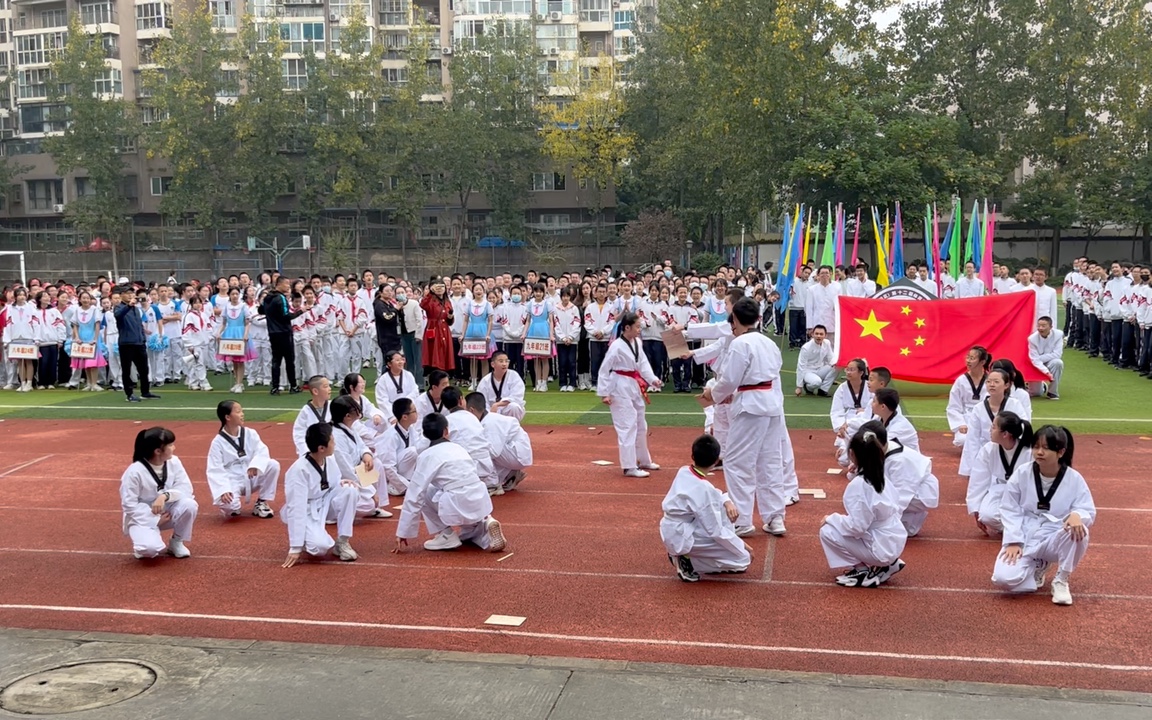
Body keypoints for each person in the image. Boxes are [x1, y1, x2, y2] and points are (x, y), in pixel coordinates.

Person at [706, 297, 787, 536]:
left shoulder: (740, 344)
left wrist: (714, 394)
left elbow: (729, 379)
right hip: (771, 404)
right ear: (758, 318)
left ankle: (741, 518)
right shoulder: (769, 343)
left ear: (736, 320)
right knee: (769, 460)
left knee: (737, 461)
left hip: (751, 406)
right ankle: (775, 517)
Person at [992, 425, 1095, 606]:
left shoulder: (1074, 478)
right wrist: (1014, 540)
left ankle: (1061, 579)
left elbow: (1087, 508)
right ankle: (1038, 565)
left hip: (1055, 534)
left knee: (1080, 531)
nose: (1039, 452)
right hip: (1026, 533)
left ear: (1060, 452)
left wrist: (1078, 515)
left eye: (1046, 448)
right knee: (1003, 580)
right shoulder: (1022, 473)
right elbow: (1009, 507)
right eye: (1036, 447)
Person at [392, 413, 507, 553]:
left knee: (425, 491)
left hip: (457, 502)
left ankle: (445, 534)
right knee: (456, 491)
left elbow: (414, 495)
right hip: (480, 498)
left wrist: (403, 531)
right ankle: (484, 523)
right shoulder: (460, 448)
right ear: (446, 431)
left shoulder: (426, 456)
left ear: (425, 434)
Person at [819, 425, 907, 587]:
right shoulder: (880, 475)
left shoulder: (860, 485)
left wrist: (832, 518)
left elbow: (857, 527)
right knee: (865, 525)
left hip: (881, 548)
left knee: (827, 530)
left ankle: (862, 572)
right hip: (894, 540)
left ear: (852, 454)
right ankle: (889, 564)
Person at [660, 434, 752, 582]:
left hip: (673, 527)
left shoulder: (684, 470)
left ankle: (685, 555)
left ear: (692, 455)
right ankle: (687, 560)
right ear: (716, 461)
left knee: (722, 507)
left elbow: (713, 494)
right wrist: (740, 544)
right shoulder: (704, 488)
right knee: (742, 560)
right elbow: (715, 530)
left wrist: (727, 501)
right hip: (682, 533)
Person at [281, 422, 360, 566]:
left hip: (325, 501)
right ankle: (306, 537)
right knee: (319, 548)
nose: (335, 443)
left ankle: (342, 542)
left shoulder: (329, 459)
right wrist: (295, 546)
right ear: (321, 448)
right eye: (332, 441)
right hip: (307, 509)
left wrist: (342, 484)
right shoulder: (298, 471)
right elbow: (296, 507)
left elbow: (333, 484)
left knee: (350, 490)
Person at [598, 311, 662, 478]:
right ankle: (629, 466)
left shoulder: (637, 343)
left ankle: (644, 460)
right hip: (618, 385)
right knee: (627, 426)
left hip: (633, 384)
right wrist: (604, 393)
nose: (640, 329)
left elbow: (643, 363)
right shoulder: (616, 346)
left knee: (641, 424)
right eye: (637, 326)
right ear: (627, 327)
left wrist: (653, 379)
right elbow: (605, 369)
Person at [119, 427, 198, 559]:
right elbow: (129, 504)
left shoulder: (174, 462)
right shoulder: (134, 472)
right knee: (149, 551)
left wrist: (164, 496)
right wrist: (154, 519)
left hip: (166, 509)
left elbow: (185, 488)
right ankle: (144, 542)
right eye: (171, 445)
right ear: (157, 451)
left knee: (190, 505)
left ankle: (176, 542)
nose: (174, 448)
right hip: (142, 517)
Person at [855, 420, 939, 538]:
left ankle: (907, 518)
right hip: (912, 487)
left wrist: (887, 530)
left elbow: (901, 497)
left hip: (922, 493)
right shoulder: (884, 447)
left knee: (879, 502)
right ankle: (910, 520)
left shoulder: (899, 461)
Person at [206, 401, 279, 519]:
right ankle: (231, 506)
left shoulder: (250, 433)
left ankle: (261, 501)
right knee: (231, 506)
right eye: (238, 411)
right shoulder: (217, 442)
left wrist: (255, 465)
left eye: (242, 411)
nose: (242, 414)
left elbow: (262, 450)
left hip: (251, 475)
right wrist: (223, 489)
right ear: (228, 417)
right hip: (233, 480)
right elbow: (215, 468)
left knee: (273, 465)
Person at [966, 411, 1033, 536]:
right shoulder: (989, 449)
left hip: (1025, 492)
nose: (990, 430)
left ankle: (1023, 528)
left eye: (993, 427)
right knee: (986, 516)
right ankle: (1016, 529)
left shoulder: (1029, 451)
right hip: (1001, 488)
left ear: (1005, 434)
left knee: (1033, 516)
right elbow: (979, 480)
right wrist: (975, 509)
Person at [329, 395, 392, 518]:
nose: (359, 411)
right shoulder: (337, 437)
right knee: (368, 504)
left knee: (376, 463)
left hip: (355, 472)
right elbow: (347, 472)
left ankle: (377, 506)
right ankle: (333, 511)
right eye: (355, 410)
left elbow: (362, 445)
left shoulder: (348, 428)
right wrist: (371, 493)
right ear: (347, 416)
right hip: (343, 480)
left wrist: (366, 455)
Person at [960, 368, 1027, 477]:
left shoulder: (1015, 404)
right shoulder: (978, 408)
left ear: (1007, 385)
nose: (991, 385)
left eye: (996, 382)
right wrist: (969, 469)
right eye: (988, 381)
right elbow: (972, 438)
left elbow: (1023, 428)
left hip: (1009, 449)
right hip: (985, 451)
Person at [468, 391, 533, 493]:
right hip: (514, 451)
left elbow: (493, 452)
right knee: (482, 449)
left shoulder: (490, 423)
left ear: (471, 410)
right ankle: (510, 474)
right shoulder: (487, 419)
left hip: (519, 454)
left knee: (483, 449)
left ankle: (493, 484)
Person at [441, 386, 500, 494]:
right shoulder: (472, 417)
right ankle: (490, 482)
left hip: (468, 468)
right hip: (486, 465)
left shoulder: (447, 421)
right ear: (461, 400)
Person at [114, 287, 159, 403]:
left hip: (139, 342)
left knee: (144, 368)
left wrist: (143, 339)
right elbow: (118, 316)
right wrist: (129, 305)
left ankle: (145, 391)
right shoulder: (119, 307)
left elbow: (139, 325)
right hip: (126, 343)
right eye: (128, 294)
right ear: (122, 295)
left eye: (132, 293)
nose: (130, 296)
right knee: (127, 370)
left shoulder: (136, 309)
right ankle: (129, 394)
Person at [261, 275, 303, 396]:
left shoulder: (268, 297)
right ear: (279, 284)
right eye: (286, 284)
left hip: (272, 332)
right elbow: (286, 316)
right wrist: (301, 311)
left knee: (276, 360)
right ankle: (293, 385)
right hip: (284, 332)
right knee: (290, 360)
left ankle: (275, 387)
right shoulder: (281, 298)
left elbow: (261, 310)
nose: (288, 286)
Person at [946, 345, 991, 448]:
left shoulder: (990, 380)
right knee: (962, 440)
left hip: (985, 417)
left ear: (982, 362)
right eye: (968, 357)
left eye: (972, 358)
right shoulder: (961, 380)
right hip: (966, 418)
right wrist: (960, 423)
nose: (968, 361)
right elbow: (953, 406)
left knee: (990, 439)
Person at [830, 358, 872, 465]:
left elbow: (876, 406)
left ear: (861, 372)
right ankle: (846, 446)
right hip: (848, 419)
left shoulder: (869, 386)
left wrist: (866, 411)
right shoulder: (842, 388)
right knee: (843, 460)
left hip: (865, 418)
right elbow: (836, 410)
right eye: (847, 369)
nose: (848, 372)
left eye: (852, 370)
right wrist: (841, 426)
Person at [215, 287, 256, 394]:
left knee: (240, 360)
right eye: (233, 294)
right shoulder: (227, 307)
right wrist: (219, 333)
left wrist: (246, 334)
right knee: (234, 360)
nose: (235, 296)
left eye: (236, 294)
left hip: (240, 333)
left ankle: (239, 383)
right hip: (230, 333)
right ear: (229, 295)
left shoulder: (243, 306)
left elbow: (247, 323)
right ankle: (237, 382)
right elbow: (224, 323)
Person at [379, 397, 421, 497]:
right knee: (413, 451)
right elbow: (388, 466)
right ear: (405, 417)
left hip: (403, 471)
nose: (417, 413)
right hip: (389, 476)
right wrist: (407, 487)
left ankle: (407, 481)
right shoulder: (391, 436)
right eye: (414, 411)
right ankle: (395, 485)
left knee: (419, 450)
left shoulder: (411, 430)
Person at [69, 290, 106, 392]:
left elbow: (97, 324)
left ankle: (95, 383)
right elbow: (75, 325)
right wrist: (76, 337)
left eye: (87, 298)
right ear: (80, 299)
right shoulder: (77, 310)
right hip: (81, 337)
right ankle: (89, 383)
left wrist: (95, 338)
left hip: (92, 337)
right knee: (85, 362)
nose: (85, 300)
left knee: (93, 363)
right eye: (83, 298)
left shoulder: (95, 310)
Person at [461, 281, 495, 390]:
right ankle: (474, 381)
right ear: (473, 291)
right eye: (476, 290)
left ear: (483, 291)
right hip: (471, 332)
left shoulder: (487, 304)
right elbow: (465, 320)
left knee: (484, 359)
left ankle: (484, 382)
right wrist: (463, 334)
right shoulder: (470, 304)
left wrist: (488, 334)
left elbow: (490, 321)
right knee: (473, 359)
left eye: (480, 289)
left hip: (483, 331)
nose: (478, 292)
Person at [420, 277, 456, 376]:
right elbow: (423, 304)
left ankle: (445, 374)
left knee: (445, 352)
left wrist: (450, 317)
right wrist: (431, 293)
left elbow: (450, 321)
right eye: (438, 287)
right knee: (434, 352)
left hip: (445, 329)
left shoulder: (447, 302)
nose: (440, 289)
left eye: (442, 287)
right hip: (434, 328)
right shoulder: (430, 300)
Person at [478, 351, 527, 421]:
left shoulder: (514, 376)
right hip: (492, 410)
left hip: (507, 408)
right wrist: (491, 409)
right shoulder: (485, 380)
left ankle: (513, 428)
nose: (504, 364)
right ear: (493, 364)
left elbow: (516, 397)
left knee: (514, 406)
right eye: (501, 361)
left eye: (506, 361)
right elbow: (482, 400)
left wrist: (498, 404)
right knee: (483, 410)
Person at [871, 387, 919, 453]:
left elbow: (882, 445)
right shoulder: (879, 417)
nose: (871, 404)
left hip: (909, 461)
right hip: (896, 457)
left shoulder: (900, 427)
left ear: (883, 407)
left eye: (874, 401)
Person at [292, 375, 331, 456]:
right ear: (315, 391)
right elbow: (299, 434)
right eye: (326, 386)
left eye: (329, 386)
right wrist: (307, 452)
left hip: (332, 450)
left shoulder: (333, 407)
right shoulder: (306, 411)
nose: (329, 389)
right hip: (313, 452)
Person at [1028, 317, 1064, 399]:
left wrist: (1039, 358)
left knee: (1058, 362)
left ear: (1051, 327)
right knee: (1036, 393)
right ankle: (1042, 386)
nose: (1040, 328)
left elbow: (1057, 354)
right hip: (1036, 365)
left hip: (1050, 361)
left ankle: (1052, 392)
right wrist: (1046, 372)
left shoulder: (1058, 335)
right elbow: (1035, 360)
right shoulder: (1032, 339)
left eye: (1043, 326)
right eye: (1039, 325)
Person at [795, 324, 836, 396]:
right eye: (816, 334)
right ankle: (808, 388)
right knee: (817, 382)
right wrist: (799, 386)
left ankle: (823, 389)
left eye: (821, 334)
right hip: (808, 372)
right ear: (812, 335)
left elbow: (831, 358)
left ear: (825, 335)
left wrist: (840, 363)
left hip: (820, 369)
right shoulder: (806, 348)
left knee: (837, 366)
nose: (818, 336)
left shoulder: (827, 343)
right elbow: (801, 366)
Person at [553, 288, 581, 392]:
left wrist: (570, 337)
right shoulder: (556, 308)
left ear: (570, 297)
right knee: (562, 362)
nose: (565, 298)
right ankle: (562, 383)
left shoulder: (574, 308)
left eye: (567, 296)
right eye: (564, 296)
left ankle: (573, 383)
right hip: (561, 340)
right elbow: (555, 324)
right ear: (561, 297)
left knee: (572, 362)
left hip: (572, 340)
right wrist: (563, 337)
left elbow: (577, 323)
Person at [804, 265, 840, 345]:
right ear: (818, 275)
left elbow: (839, 308)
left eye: (827, 273)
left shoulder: (837, 289)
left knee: (831, 347)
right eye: (822, 273)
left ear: (830, 274)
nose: (825, 275)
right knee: (816, 347)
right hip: (817, 324)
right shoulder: (812, 289)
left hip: (831, 323)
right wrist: (809, 326)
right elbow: (809, 309)